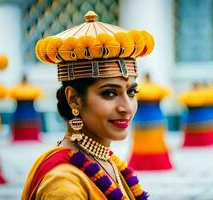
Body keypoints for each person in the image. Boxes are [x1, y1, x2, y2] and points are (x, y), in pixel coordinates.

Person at [22, 10, 154, 200]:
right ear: (73, 99)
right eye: (109, 93)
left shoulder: (105, 161)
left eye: (131, 92)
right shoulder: (63, 186)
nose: (127, 107)